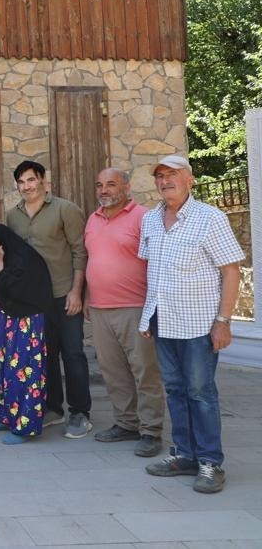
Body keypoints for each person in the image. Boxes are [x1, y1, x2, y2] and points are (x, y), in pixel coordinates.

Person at [140, 155, 243, 494]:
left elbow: (231, 270)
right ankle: (184, 455)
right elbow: (152, 270)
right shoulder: (151, 220)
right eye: (160, 176)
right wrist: (147, 316)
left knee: (200, 393)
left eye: (172, 174)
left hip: (199, 323)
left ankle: (210, 463)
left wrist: (223, 321)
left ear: (190, 179)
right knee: (175, 389)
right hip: (163, 320)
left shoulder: (209, 218)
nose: (164, 181)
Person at [6, 160, 93, 439]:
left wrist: (77, 291)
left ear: (43, 180)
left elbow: (80, 251)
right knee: (45, 355)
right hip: (34, 299)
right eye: (21, 182)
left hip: (64, 293)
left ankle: (80, 412)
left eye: (31, 180)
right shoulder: (13, 215)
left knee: (73, 353)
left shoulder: (65, 209)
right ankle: (53, 408)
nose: (27, 186)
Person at [85, 168, 165, 458]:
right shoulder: (92, 220)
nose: (104, 190)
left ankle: (151, 431)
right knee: (113, 371)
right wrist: (86, 297)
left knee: (145, 371)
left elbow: (157, 260)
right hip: (100, 308)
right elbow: (91, 260)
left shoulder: (144, 217)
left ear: (127, 187)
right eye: (99, 185)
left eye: (111, 184)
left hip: (136, 308)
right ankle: (126, 423)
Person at [0, 224, 53, 444]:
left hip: (26, 322)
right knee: (3, 370)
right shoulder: (8, 258)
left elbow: (18, 290)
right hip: (7, 321)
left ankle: (25, 427)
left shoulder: (26, 260)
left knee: (24, 373)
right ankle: (7, 417)